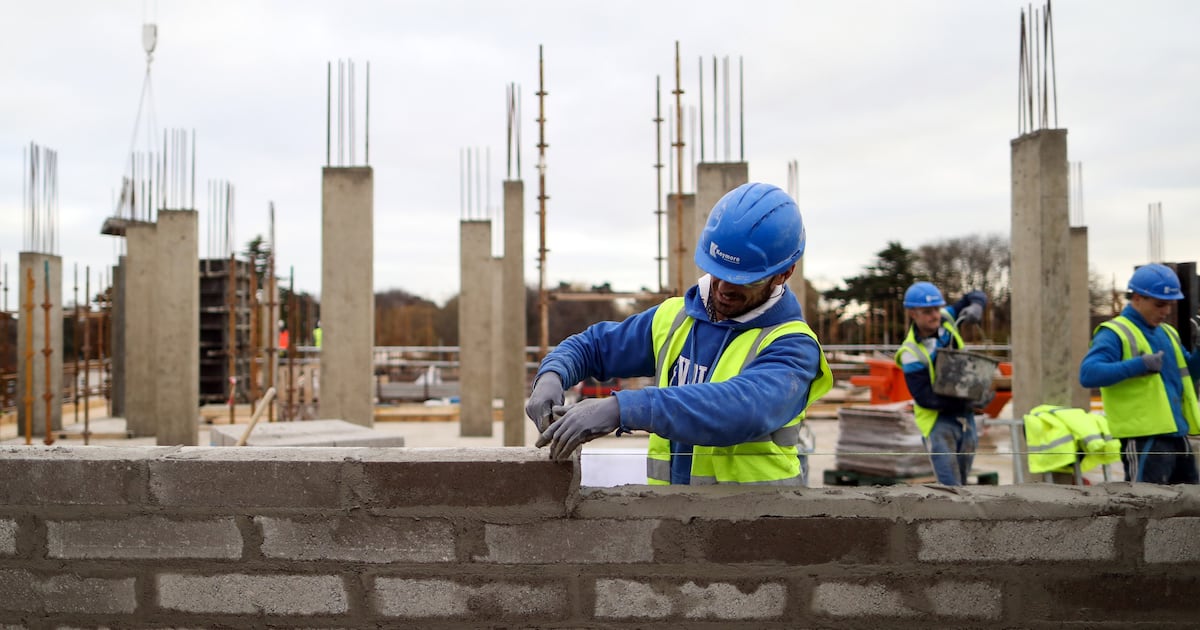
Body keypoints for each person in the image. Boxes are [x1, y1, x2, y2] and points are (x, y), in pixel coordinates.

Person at [525, 182, 832, 485]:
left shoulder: (792, 347)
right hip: (673, 527)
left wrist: (623, 409)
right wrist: (552, 374)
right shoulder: (675, 318)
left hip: (758, 526)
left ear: (784, 273)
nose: (724, 289)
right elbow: (593, 346)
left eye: (744, 280)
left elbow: (739, 410)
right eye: (718, 272)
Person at [1079, 263, 1200, 484]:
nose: (1165, 311)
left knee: (1190, 508)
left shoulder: (1168, 333)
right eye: (1159, 304)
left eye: (1170, 305)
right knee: (1145, 509)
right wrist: (1139, 365)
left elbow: (1188, 373)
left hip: (1177, 434)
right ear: (1137, 298)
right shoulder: (1115, 333)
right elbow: (1088, 374)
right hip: (1144, 438)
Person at [894, 281, 988, 485]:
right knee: (950, 486)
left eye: (937, 308)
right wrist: (969, 401)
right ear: (912, 313)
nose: (935, 315)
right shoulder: (911, 352)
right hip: (938, 422)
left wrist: (977, 305)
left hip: (965, 416)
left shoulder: (947, 319)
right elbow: (925, 398)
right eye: (927, 311)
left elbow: (975, 295)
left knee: (963, 479)